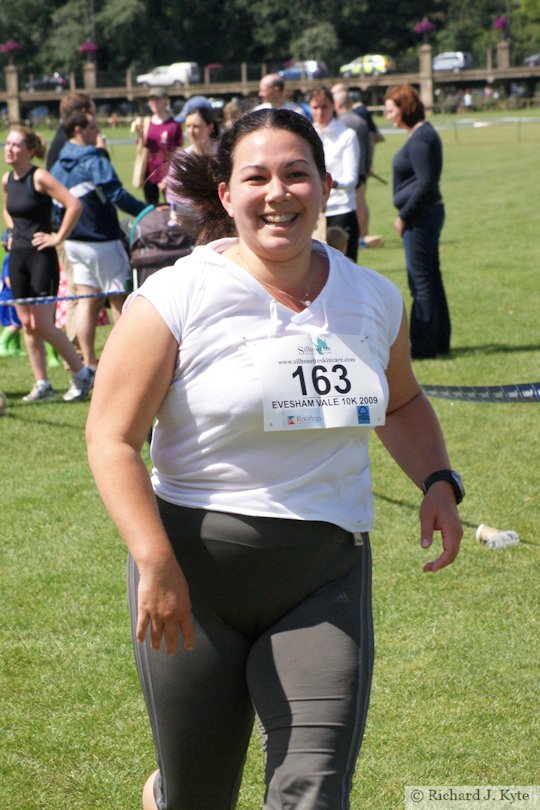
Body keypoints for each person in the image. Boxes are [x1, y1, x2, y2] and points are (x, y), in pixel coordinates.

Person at [86, 108, 464, 810]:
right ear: (226, 195)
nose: (278, 193)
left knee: (312, 791)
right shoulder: (174, 297)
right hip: (190, 583)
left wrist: (438, 479)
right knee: (199, 796)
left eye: (296, 174)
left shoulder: (373, 299)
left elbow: (403, 404)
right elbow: (111, 438)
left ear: (325, 185)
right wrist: (155, 562)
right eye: (256, 177)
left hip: (322, 580)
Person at [1, 126, 96, 403]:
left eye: (16, 145)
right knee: (26, 323)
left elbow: (73, 204)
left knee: (42, 322)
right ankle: (42, 382)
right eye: (7, 144)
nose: (9, 149)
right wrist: (11, 233)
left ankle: (81, 374)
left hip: (41, 256)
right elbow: (9, 210)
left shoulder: (39, 177)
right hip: (16, 257)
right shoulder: (7, 179)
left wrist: (58, 237)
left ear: (30, 150)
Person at [51, 110, 146, 370]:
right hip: (102, 239)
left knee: (86, 301)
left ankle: (90, 363)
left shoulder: (58, 165)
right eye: (93, 127)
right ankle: (126, 362)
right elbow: (116, 194)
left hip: (74, 243)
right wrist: (146, 211)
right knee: (119, 299)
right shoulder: (94, 159)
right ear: (79, 130)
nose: (98, 132)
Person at [384, 85, 451, 359]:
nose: (388, 116)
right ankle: (439, 340)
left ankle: (424, 346)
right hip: (426, 215)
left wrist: (404, 215)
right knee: (431, 279)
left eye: (391, 110)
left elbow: (425, 183)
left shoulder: (421, 138)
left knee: (420, 282)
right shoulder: (421, 134)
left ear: (405, 108)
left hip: (421, 217)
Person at [46, 92, 109, 348]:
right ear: (82, 113)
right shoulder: (70, 145)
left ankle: (79, 352)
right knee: (76, 293)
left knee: (83, 294)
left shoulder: (61, 141)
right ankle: (77, 355)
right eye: (92, 111)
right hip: (72, 228)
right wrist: (101, 154)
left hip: (68, 226)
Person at [308, 85, 360, 261]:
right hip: (314, 211)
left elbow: (351, 180)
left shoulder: (347, 136)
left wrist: (330, 183)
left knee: (346, 268)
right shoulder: (307, 135)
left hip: (341, 209)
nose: (320, 112)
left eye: (325, 107)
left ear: (333, 107)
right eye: (315, 107)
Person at [332, 86, 372, 241]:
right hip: (361, 168)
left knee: (352, 204)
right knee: (361, 201)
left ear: (338, 105)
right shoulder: (361, 121)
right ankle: (363, 235)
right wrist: (368, 163)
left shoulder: (340, 122)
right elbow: (370, 142)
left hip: (345, 171)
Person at [132, 88, 183, 205]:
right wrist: (139, 135)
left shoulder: (173, 126)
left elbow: (177, 153)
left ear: (166, 101)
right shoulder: (145, 123)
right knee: (150, 208)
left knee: (172, 208)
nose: (154, 102)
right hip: (149, 174)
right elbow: (141, 149)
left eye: (157, 99)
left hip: (168, 175)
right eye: (151, 100)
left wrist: (170, 177)